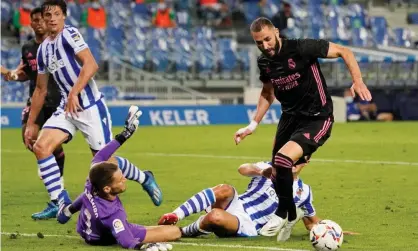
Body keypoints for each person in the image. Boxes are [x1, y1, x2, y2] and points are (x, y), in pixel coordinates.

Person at [233, 17, 372, 239]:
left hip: (318, 117)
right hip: (289, 119)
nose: (265, 46)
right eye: (259, 42)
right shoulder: (265, 63)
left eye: (267, 39)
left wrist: (358, 81)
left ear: (276, 32)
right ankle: (292, 213)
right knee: (277, 173)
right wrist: (253, 124)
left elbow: (345, 51)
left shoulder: (301, 47)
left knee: (282, 159)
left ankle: (284, 213)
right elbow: (267, 94)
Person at [25, 0, 162, 220]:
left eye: (56, 14)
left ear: (64, 17)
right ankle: (58, 200)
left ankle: (144, 178)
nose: (51, 19)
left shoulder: (70, 35)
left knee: (105, 164)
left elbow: (91, 64)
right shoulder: (43, 50)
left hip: (89, 106)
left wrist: (74, 92)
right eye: (47, 15)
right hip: (67, 108)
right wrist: (32, 122)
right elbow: (40, 89)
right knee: (41, 147)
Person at [56, 106, 178, 250]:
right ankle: (199, 226)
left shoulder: (92, 182)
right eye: (120, 180)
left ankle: (65, 210)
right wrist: (143, 247)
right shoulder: (113, 214)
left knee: (92, 191)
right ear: (107, 188)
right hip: (106, 237)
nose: (125, 180)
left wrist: (124, 135)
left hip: (86, 231)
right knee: (174, 232)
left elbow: (100, 156)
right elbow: (126, 241)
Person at [1, 7, 66, 220]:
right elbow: (26, 73)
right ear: (30, 24)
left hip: (58, 99)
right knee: (28, 137)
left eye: (41, 19)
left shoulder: (56, 44)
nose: (38, 23)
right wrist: (11, 75)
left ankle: (58, 178)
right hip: (37, 99)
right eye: (34, 20)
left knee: (50, 143)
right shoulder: (28, 47)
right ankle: (53, 161)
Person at [157, 160, 313, 240]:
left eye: (300, 160)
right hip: (238, 204)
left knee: (215, 216)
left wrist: (325, 231)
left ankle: (181, 232)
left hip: (249, 224)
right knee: (225, 189)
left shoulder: (304, 192)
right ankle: (176, 215)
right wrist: (260, 171)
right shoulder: (270, 166)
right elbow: (243, 168)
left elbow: (312, 223)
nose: (294, 163)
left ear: (306, 162)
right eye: (293, 158)